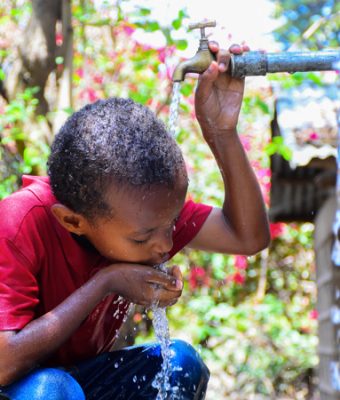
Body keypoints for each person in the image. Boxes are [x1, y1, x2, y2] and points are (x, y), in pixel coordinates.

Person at [0, 42, 270, 400]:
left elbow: (247, 237)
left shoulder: (143, 214)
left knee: (178, 363)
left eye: (171, 224)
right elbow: (4, 364)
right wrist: (106, 281)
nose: (163, 245)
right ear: (73, 222)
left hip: (79, 382)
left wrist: (220, 133)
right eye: (143, 239)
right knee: (54, 388)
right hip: (22, 387)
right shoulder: (21, 221)